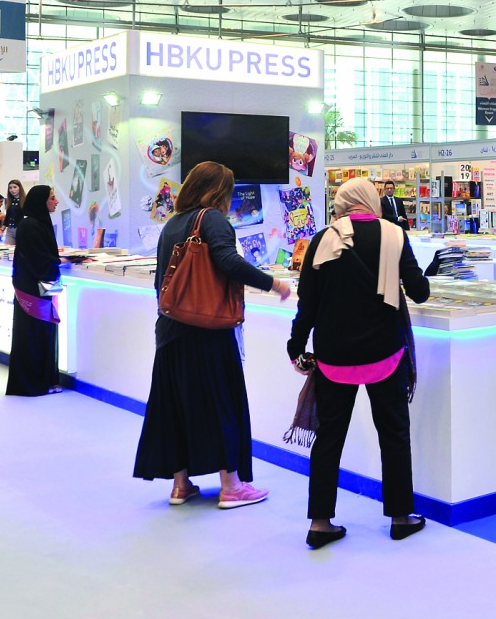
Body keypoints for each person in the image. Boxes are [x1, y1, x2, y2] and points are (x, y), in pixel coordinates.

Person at [133, 162, 292, 510]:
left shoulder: (172, 223)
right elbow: (228, 262)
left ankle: (180, 485)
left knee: (175, 404)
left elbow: (163, 279)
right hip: (207, 327)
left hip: (171, 328)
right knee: (221, 401)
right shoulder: (212, 220)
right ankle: (231, 487)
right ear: (219, 192)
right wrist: (273, 283)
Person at [287, 177, 432, 550]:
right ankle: (401, 517)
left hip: (334, 356)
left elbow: (309, 303)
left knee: (328, 437)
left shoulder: (322, 240)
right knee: (394, 433)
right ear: (372, 201)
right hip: (385, 353)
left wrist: (296, 345)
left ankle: (320, 523)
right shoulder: (394, 235)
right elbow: (420, 292)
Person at [7, 185, 64, 397]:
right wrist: (58, 261)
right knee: (32, 335)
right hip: (31, 289)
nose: (56, 201)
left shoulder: (38, 222)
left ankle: (44, 380)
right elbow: (37, 258)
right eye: (52, 198)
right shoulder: (30, 224)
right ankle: (31, 383)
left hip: (38, 286)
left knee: (43, 334)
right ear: (41, 201)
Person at [3, 179, 25, 245]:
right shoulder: (9, 201)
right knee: (7, 250)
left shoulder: (25, 201)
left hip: (21, 230)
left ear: (20, 188)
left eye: (15, 187)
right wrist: (2, 230)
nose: (12, 190)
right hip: (10, 229)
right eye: (10, 188)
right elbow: (7, 216)